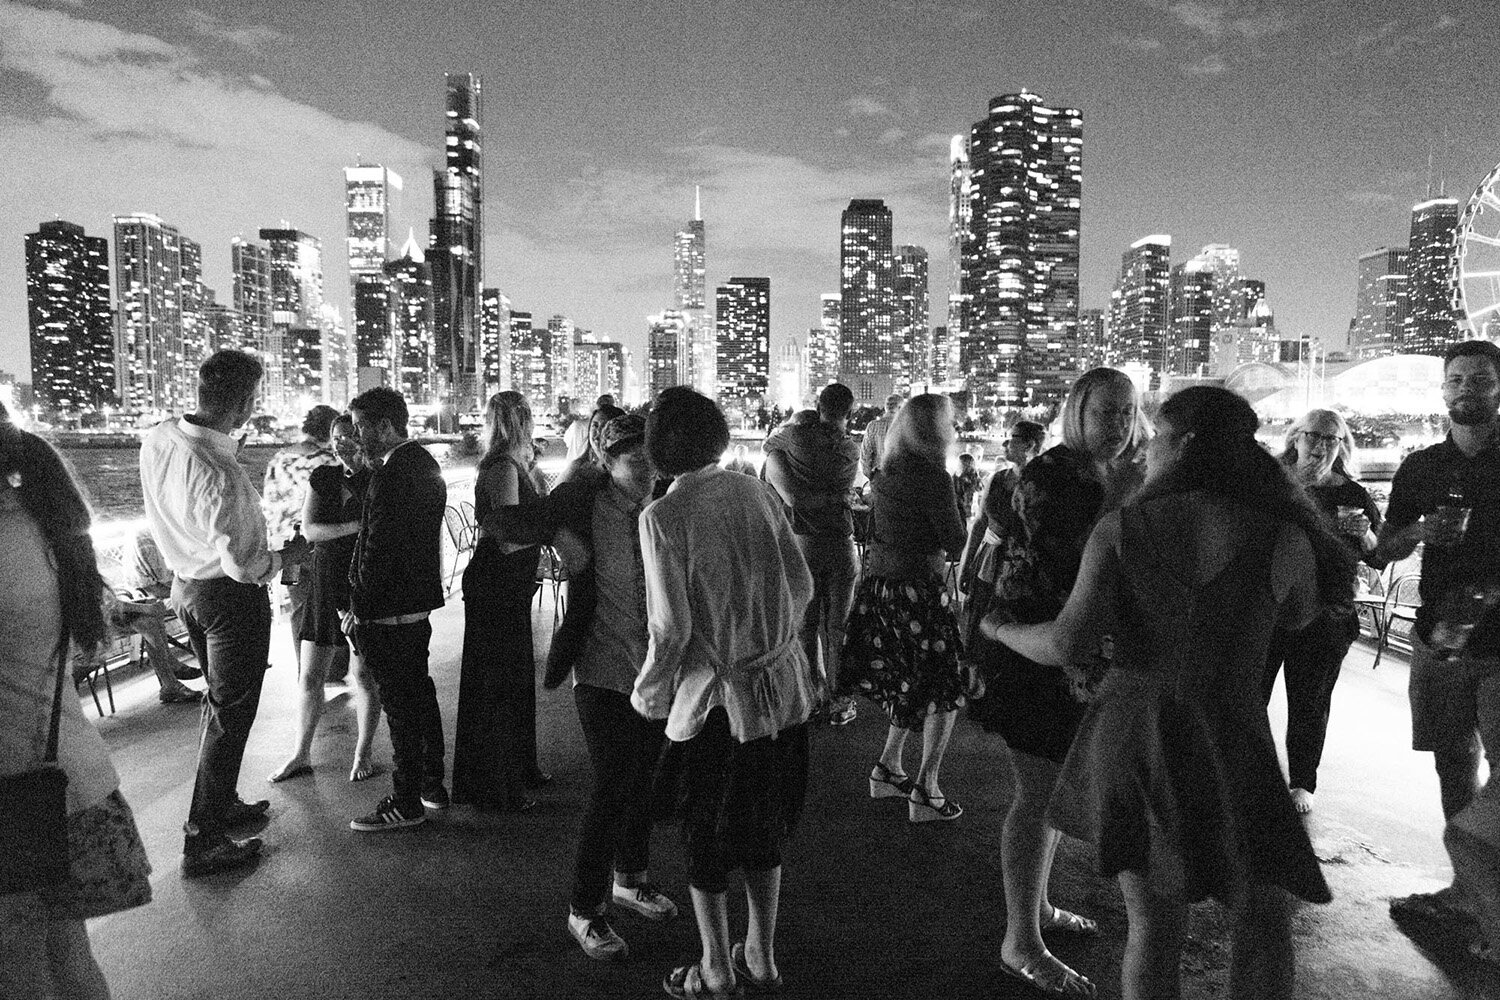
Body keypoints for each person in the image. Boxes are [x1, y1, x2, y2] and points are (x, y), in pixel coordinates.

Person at [987, 386, 1353, 999]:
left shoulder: (1122, 529)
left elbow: (1068, 645)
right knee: (1261, 919)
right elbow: (1298, 617)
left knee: (1154, 924)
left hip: (1134, 737)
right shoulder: (1283, 535)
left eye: (1155, 436)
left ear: (1182, 444)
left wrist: (999, 626)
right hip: (1232, 734)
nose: (1146, 449)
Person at [968, 367, 1149, 995]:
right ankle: (1020, 940)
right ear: (1077, 412)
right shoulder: (1052, 476)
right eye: (1105, 411)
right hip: (1032, 649)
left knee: (1051, 792)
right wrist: (1124, 497)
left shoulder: (1111, 475)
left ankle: (1037, 909)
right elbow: (1078, 558)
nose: (1119, 423)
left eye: (1127, 411)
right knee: (1038, 795)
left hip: (1073, 653)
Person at [633, 387, 816, 999]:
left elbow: (671, 628)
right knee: (764, 828)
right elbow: (802, 582)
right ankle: (761, 954)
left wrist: (650, 693)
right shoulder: (757, 491)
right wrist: (774, 640)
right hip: (781, 695)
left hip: (714, 702)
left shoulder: (663, 516)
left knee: (704, 835)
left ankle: (715, 965)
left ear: (659, 449)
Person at [497, 413, 680, 961]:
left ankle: (631, 878)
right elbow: (502, 523)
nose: (645, 469)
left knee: (643, 779)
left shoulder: (667, 504)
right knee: (612, 784)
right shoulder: (579, 499)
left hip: (655, 669)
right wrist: (555, 534)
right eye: (633, 459)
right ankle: (585, 909)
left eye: (651, 458)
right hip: (600, 668)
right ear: (606, 458)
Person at [0, 424, 153, 998]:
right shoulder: (41, 529)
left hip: (15, 789)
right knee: (66, 954)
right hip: (65, 778)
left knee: (19, 970)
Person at [141, 349, 302, 876]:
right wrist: (292, 555)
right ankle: (203, 839)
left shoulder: (160, 437)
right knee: (230, 717)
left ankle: (222, 802)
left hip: (184, 589)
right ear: (242, 403)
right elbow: (246, 566)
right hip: (228, 602)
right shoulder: (219, 473)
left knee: (219, 708)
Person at [1377, 339, 1500, 965]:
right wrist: (1416, 534)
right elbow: (1385, 548)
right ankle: (1469, 889)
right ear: (1442, 389)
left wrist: (1489, 590)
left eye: (1479, 379)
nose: (1465, 389)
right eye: (1455, 379)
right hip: (1439, 639)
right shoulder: (1421, 467)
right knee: (1452, 761)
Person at [841, 393, 970, 821]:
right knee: (945, 688)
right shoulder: (934, 478)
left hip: (881, 586)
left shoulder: (885, 471)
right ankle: (926, 790)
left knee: (907, 681)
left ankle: (888, 767)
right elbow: (954, 541)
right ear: (938, 431)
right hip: (920, 590)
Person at [1263, 409, 1381, 814]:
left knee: (1311, 700)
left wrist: (1363, 532)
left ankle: (1302, 783)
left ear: (1342, 445)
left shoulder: (1352, 495)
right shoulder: (1271, 482)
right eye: (1314, 436)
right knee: (1249, 694)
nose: (1321, 446)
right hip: (1267, 608)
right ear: (1295, 437)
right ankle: (1249, 772)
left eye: (1332, 439)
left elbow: (1379, 555)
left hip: (1327, 614)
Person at [346, 387, 449, 831]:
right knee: (419, 694)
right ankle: (431, 784)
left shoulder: (390, 477)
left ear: (386, 426)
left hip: (387, 609)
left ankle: (405, 800)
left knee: (400, 706)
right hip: (416, 603)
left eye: (361, 427)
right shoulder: (424, 465)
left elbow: (377, 547)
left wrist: (358, 609)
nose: (357, 436)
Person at [268, 414, 383, 784]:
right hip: (326, 579)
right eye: (336, 437)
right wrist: (357, 526)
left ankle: (363, 751)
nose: (342, 443)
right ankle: (301, 753)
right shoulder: (324, 477)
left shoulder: (379, 478)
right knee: (310, 674)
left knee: (362, 674)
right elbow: (311, 529)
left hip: (363, 584)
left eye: (349, 436)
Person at [455, 391, 550, 814]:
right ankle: (497, 784)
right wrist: (550, 531)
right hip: (497, 581)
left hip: (509, 581)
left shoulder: (517, 465)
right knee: (498, 682)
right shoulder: (502, 467)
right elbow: (509, 535)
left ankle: (519, 769)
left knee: (514, 677)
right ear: (519, 421)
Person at [763, 382, 861, 727]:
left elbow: (767, 446)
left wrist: (800, 425)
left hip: (803, 541)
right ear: (850, 412)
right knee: (838, 626)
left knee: (806, 624)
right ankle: (838, 696)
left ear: (818, 406)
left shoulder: (796, 438)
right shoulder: (852, 450)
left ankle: (811, 694)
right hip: (840, 543)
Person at [957, 420, 1045, 654]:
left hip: (1019, 569)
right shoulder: (997, 479)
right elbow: (980, 524)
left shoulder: (1043, 486)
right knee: (977, 620)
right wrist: (966, 565)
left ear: (1029, 445)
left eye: (1012, 438)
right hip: (987, 561)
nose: (1005, 443)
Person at [262, 405, 341, 666]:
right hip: (322, 545)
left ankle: (304, 669)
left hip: (286, 549)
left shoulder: (278, 459)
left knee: (299, 609)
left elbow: (270, 503)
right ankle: (332, 666)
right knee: (332, 605)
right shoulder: (328, 461)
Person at [107, 525, 203, 705]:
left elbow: (109, 598)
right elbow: (106, 603)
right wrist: (145, 608)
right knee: (149, 619)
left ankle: (170, 679)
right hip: (92, 618)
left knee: (151, 616)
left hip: (117, 604)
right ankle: (171, 677)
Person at [859, 392, 903, 482]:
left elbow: (865, 457)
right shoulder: (906, 427)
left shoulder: (872, 426)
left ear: (885, 407)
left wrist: (871, 477)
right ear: (900, 407)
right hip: (900, 480)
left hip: (878, 478)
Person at [953, 452, 982, 521]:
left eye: (959, 462)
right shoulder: (975, 477)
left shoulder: (960, 478)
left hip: (962, 510)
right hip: (968, 510)